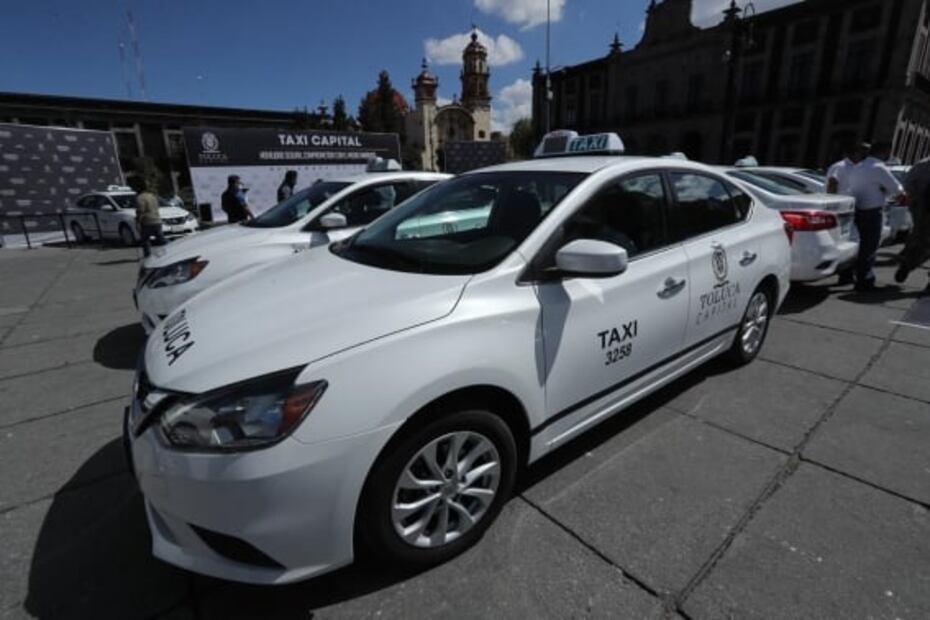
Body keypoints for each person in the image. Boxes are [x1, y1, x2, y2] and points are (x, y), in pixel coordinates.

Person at [843, 143, 903, 291]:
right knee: (869, 247)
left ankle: (852, 275)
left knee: (859, 245)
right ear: (885, 152)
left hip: (857, 209)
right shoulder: (879, 168)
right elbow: (897, 190)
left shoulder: (859, 167)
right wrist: (889, 192)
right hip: (872, 212)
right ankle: (865, 280)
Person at [895, 157, 930, 289]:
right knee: (923, 240)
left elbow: (908, 182)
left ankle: (908, 262)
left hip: (923, 207)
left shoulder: (923, 164)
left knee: (920, 238)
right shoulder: (923, 165)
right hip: (922, 207)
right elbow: (908, 183)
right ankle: (909, 262)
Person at [135, 179, 165, 257]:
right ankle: (168, 252)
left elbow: (140, 211)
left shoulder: (140, 198)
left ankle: (148, 255)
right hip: (157, 220)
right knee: (160, 238)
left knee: (145, 240)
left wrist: (138, 221)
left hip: (147, 221)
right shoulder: (152, 196)